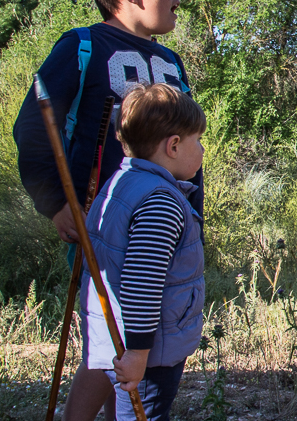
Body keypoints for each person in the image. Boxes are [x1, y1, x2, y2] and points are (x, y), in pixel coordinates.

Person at [11, 0, 201, 420]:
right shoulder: (84, 46)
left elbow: (185, 142)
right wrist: (57, 204)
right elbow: (35, 126)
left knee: (146, 335)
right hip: (109, 221)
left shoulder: (172, 62)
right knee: (112, 338)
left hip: (167, 220)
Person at [81, 82, 205, 420]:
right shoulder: (160, 202)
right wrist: (138, 353)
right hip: (150, 350)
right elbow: (142, 283)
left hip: (118, 336)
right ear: (174, 146)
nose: (203, 151)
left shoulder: (122, 181)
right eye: (198, 141)